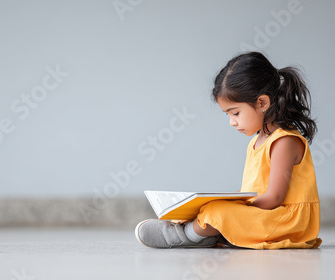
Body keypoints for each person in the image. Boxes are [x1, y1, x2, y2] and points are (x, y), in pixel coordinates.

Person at [135, 51, 322, 249]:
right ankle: (208, 234)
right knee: (210, 207)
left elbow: (274, 197)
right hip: (266, 215)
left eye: (235, 113)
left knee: (217, 212)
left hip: (286, 223)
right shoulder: (257, 141)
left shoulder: (284, 142)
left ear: (262, 103)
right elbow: (254, 190)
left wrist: (235, 207)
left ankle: (181, 236)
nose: (232, 122)